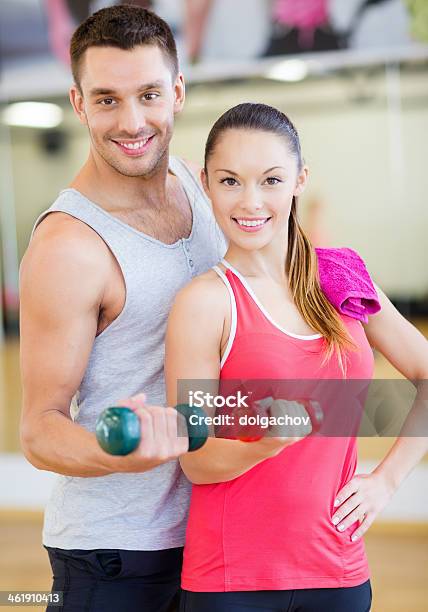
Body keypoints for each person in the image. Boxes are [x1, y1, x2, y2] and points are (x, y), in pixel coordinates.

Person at [165, 102, 428, 611]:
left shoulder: (342, 277)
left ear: (299, 180)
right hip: (232, 581)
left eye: (270, 180)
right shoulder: (205, 302)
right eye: (229, 181)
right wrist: (262, 444)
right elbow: (195, 459)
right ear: (205, 183)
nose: (250, 201)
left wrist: (386, 480)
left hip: (340, 570)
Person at [19, 5, 225, 612]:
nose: (131, 121)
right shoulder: (69, 247)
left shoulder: (199, 185)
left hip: (213, 532)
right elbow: (39, 429)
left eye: (149, 94)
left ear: (178, 93)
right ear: (79, 104)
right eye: (107, 99)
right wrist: (119, 453)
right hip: (116, 552)